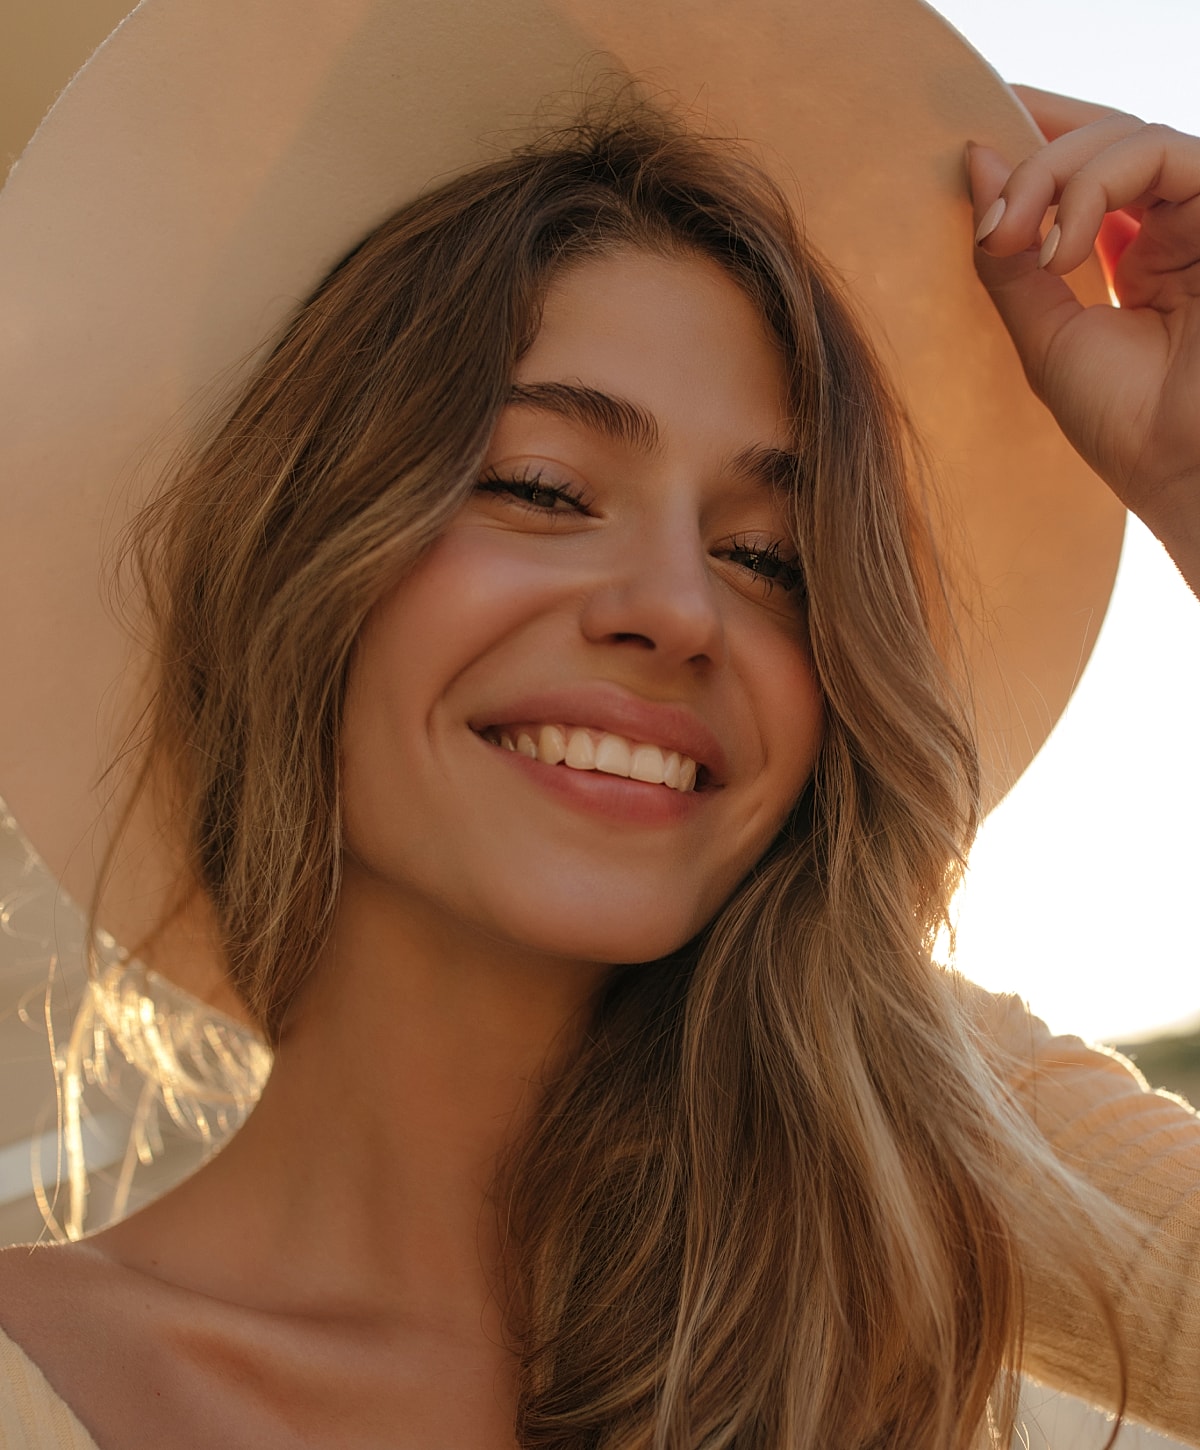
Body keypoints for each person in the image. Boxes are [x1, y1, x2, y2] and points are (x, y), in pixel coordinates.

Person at [0, 1, 1198, 1447]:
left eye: (768, 558)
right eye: (543, 488)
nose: (681, 608)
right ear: (301, 568)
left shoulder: (899, 1156)